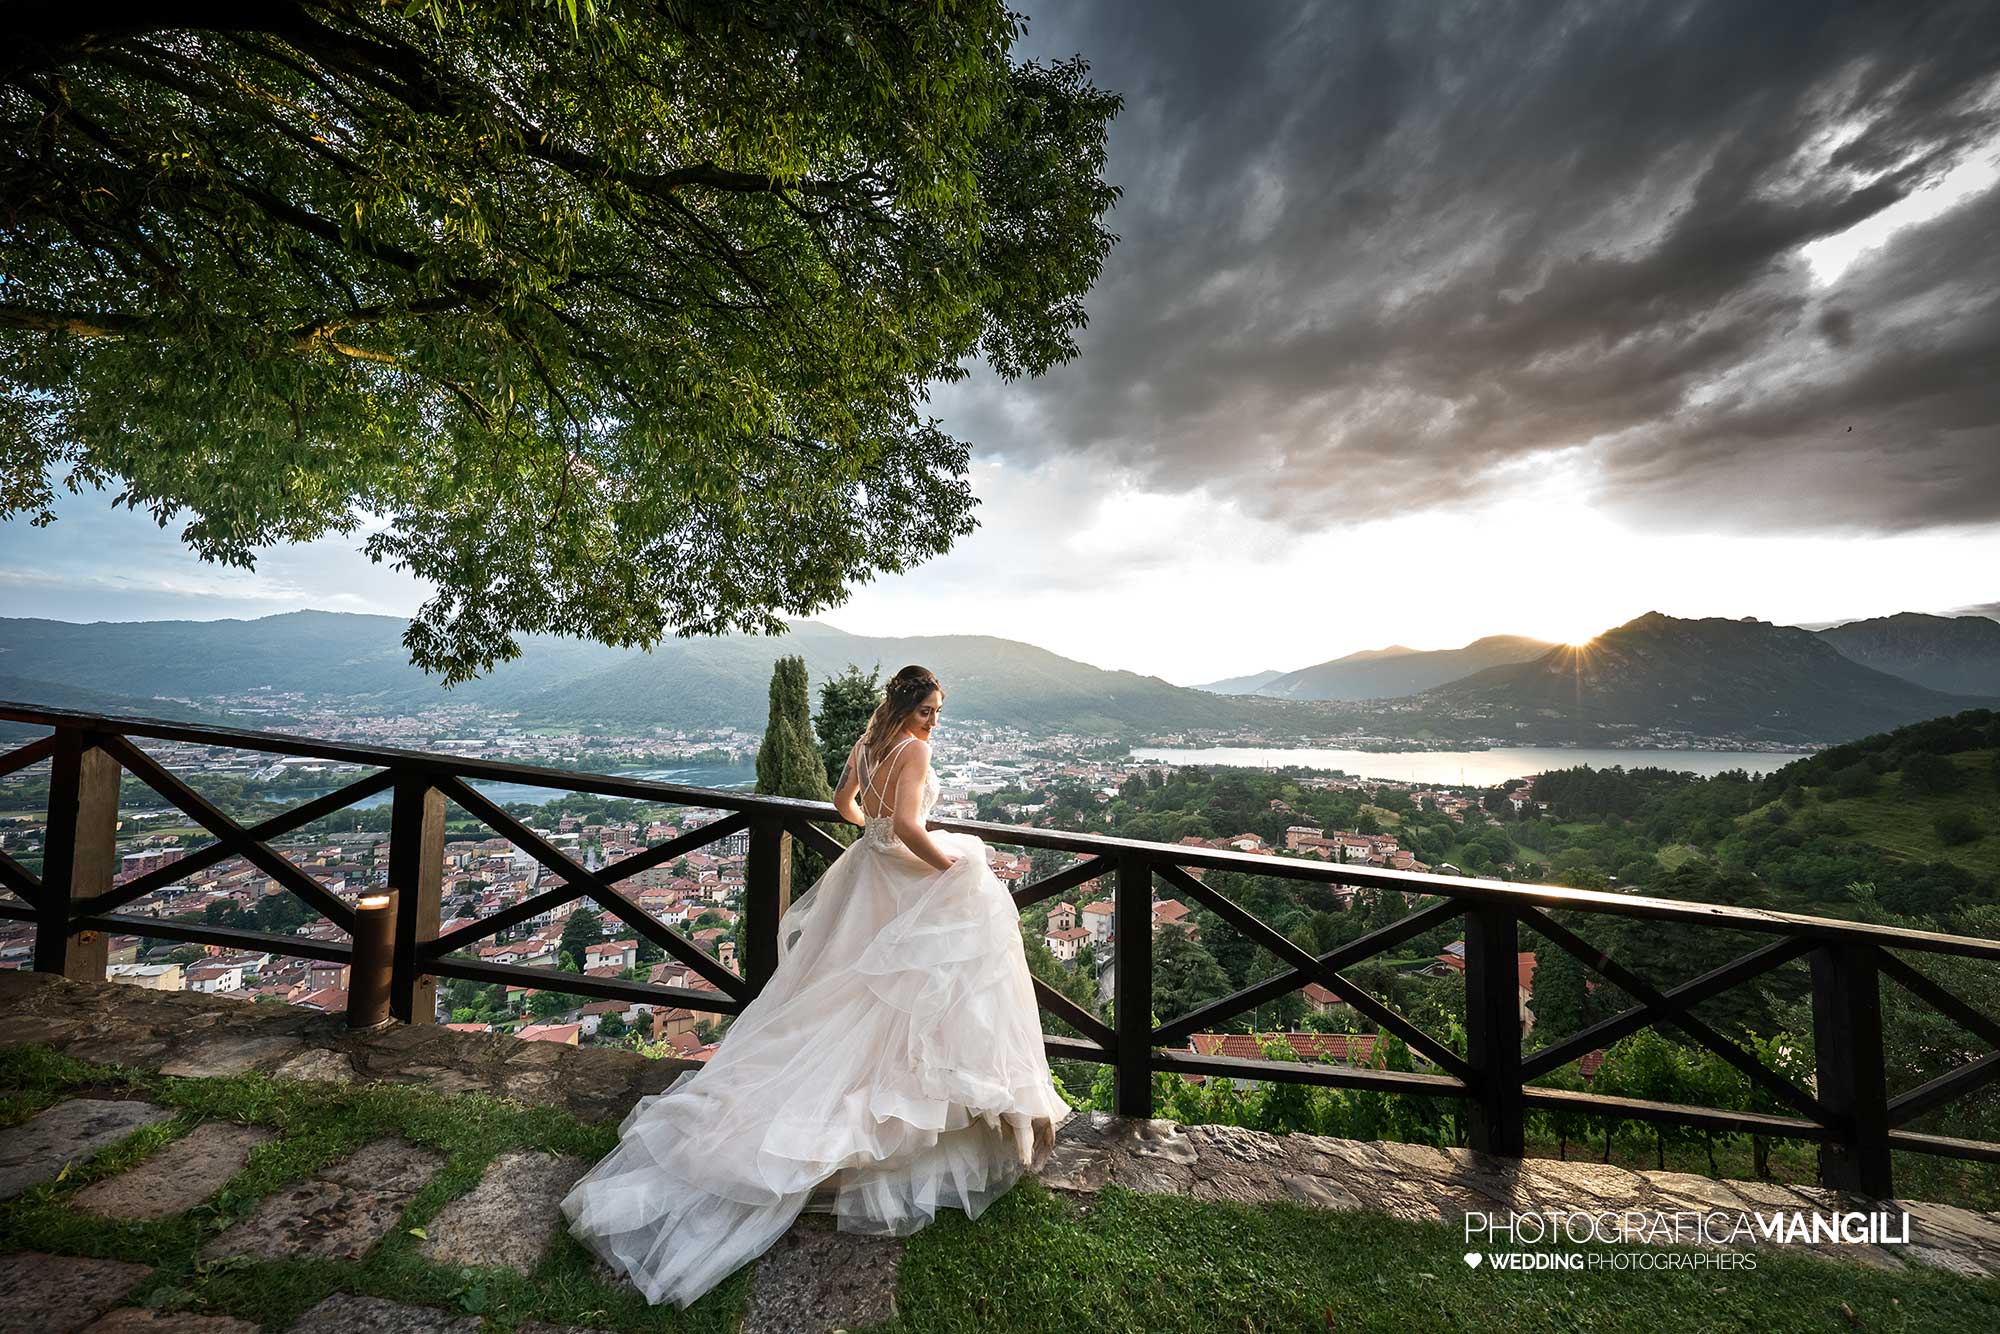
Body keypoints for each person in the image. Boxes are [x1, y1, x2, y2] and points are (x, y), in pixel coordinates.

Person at [561, 664, 1069, 1308]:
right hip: (902, 875)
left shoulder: (869, 744)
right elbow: (912, 827)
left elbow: (844, 807)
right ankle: (921, 1102)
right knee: (905, 989)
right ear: (908, 708)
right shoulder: (912, 750)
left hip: (867, 875)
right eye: (928, 711)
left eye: (937, 712)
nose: (933, 721)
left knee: (851, 993)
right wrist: (951, 869)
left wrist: (872, 835)